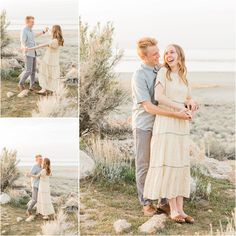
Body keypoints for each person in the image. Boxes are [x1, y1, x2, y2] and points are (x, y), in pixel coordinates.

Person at [131, 37, 197, 217]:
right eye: (155, 54)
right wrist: (177, 114)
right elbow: (149, 107)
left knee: (162, 161)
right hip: (144, 125)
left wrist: (189, 100)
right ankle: (146, 203)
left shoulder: (161, 69)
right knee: (145, 164)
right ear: (144, 56)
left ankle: (165, 203)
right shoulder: (139, 75)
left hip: (163, 125)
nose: (159, 56)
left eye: (159, 52)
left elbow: (177, 89)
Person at [26, 25, 64, 94]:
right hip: (54, 60)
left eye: (52, 30)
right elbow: (50, 34)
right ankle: (51, 89)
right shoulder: (59, 40)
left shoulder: (53, 41)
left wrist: (29, 49)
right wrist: (47, 30)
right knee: (51, 74)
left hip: (48, 59)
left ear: (54, 31)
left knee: (43, 72)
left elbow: (41, 45)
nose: (51, 31)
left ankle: (44, 89)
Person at [18, 16, 48, 91]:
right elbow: (22, 41)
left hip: (34, 52)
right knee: (28, 70)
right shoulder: (24, 30)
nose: (33, 23)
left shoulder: (30, 30)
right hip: (28, 52)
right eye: (32, 22)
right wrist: (24, 47)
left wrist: (43, 32)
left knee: (34, 70)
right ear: (27, 22)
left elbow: (35, 36)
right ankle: (20, 84)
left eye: (33, 22)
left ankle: (31, 86)